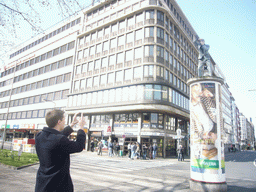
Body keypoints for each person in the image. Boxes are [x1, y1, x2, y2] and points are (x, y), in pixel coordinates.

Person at [35, 110, 86, 192]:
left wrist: (72, 125)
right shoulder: (59, 140)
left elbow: (56, 137)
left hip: (42, 185)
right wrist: (81, 128)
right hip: (58, 186)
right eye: (64, 119)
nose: (64, 122)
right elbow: (79, 146)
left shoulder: (39, 136)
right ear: (59, 121)